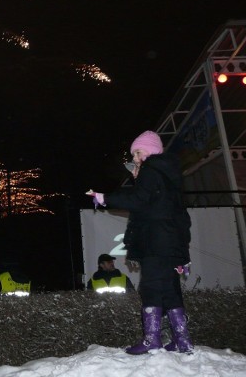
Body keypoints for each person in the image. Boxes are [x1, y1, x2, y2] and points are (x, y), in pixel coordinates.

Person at [87, 130, 193, 354]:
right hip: (170, 244)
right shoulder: (168, 177)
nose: (135, 158)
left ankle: (152, 340)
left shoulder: (151, 170)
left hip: (156, 242)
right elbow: (182, 218)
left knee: (151, 287)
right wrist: (183, 254)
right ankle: (182, 341)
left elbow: (138, 201)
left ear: (151, 151)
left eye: (137, 152)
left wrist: (105, 197)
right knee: (171, 289)